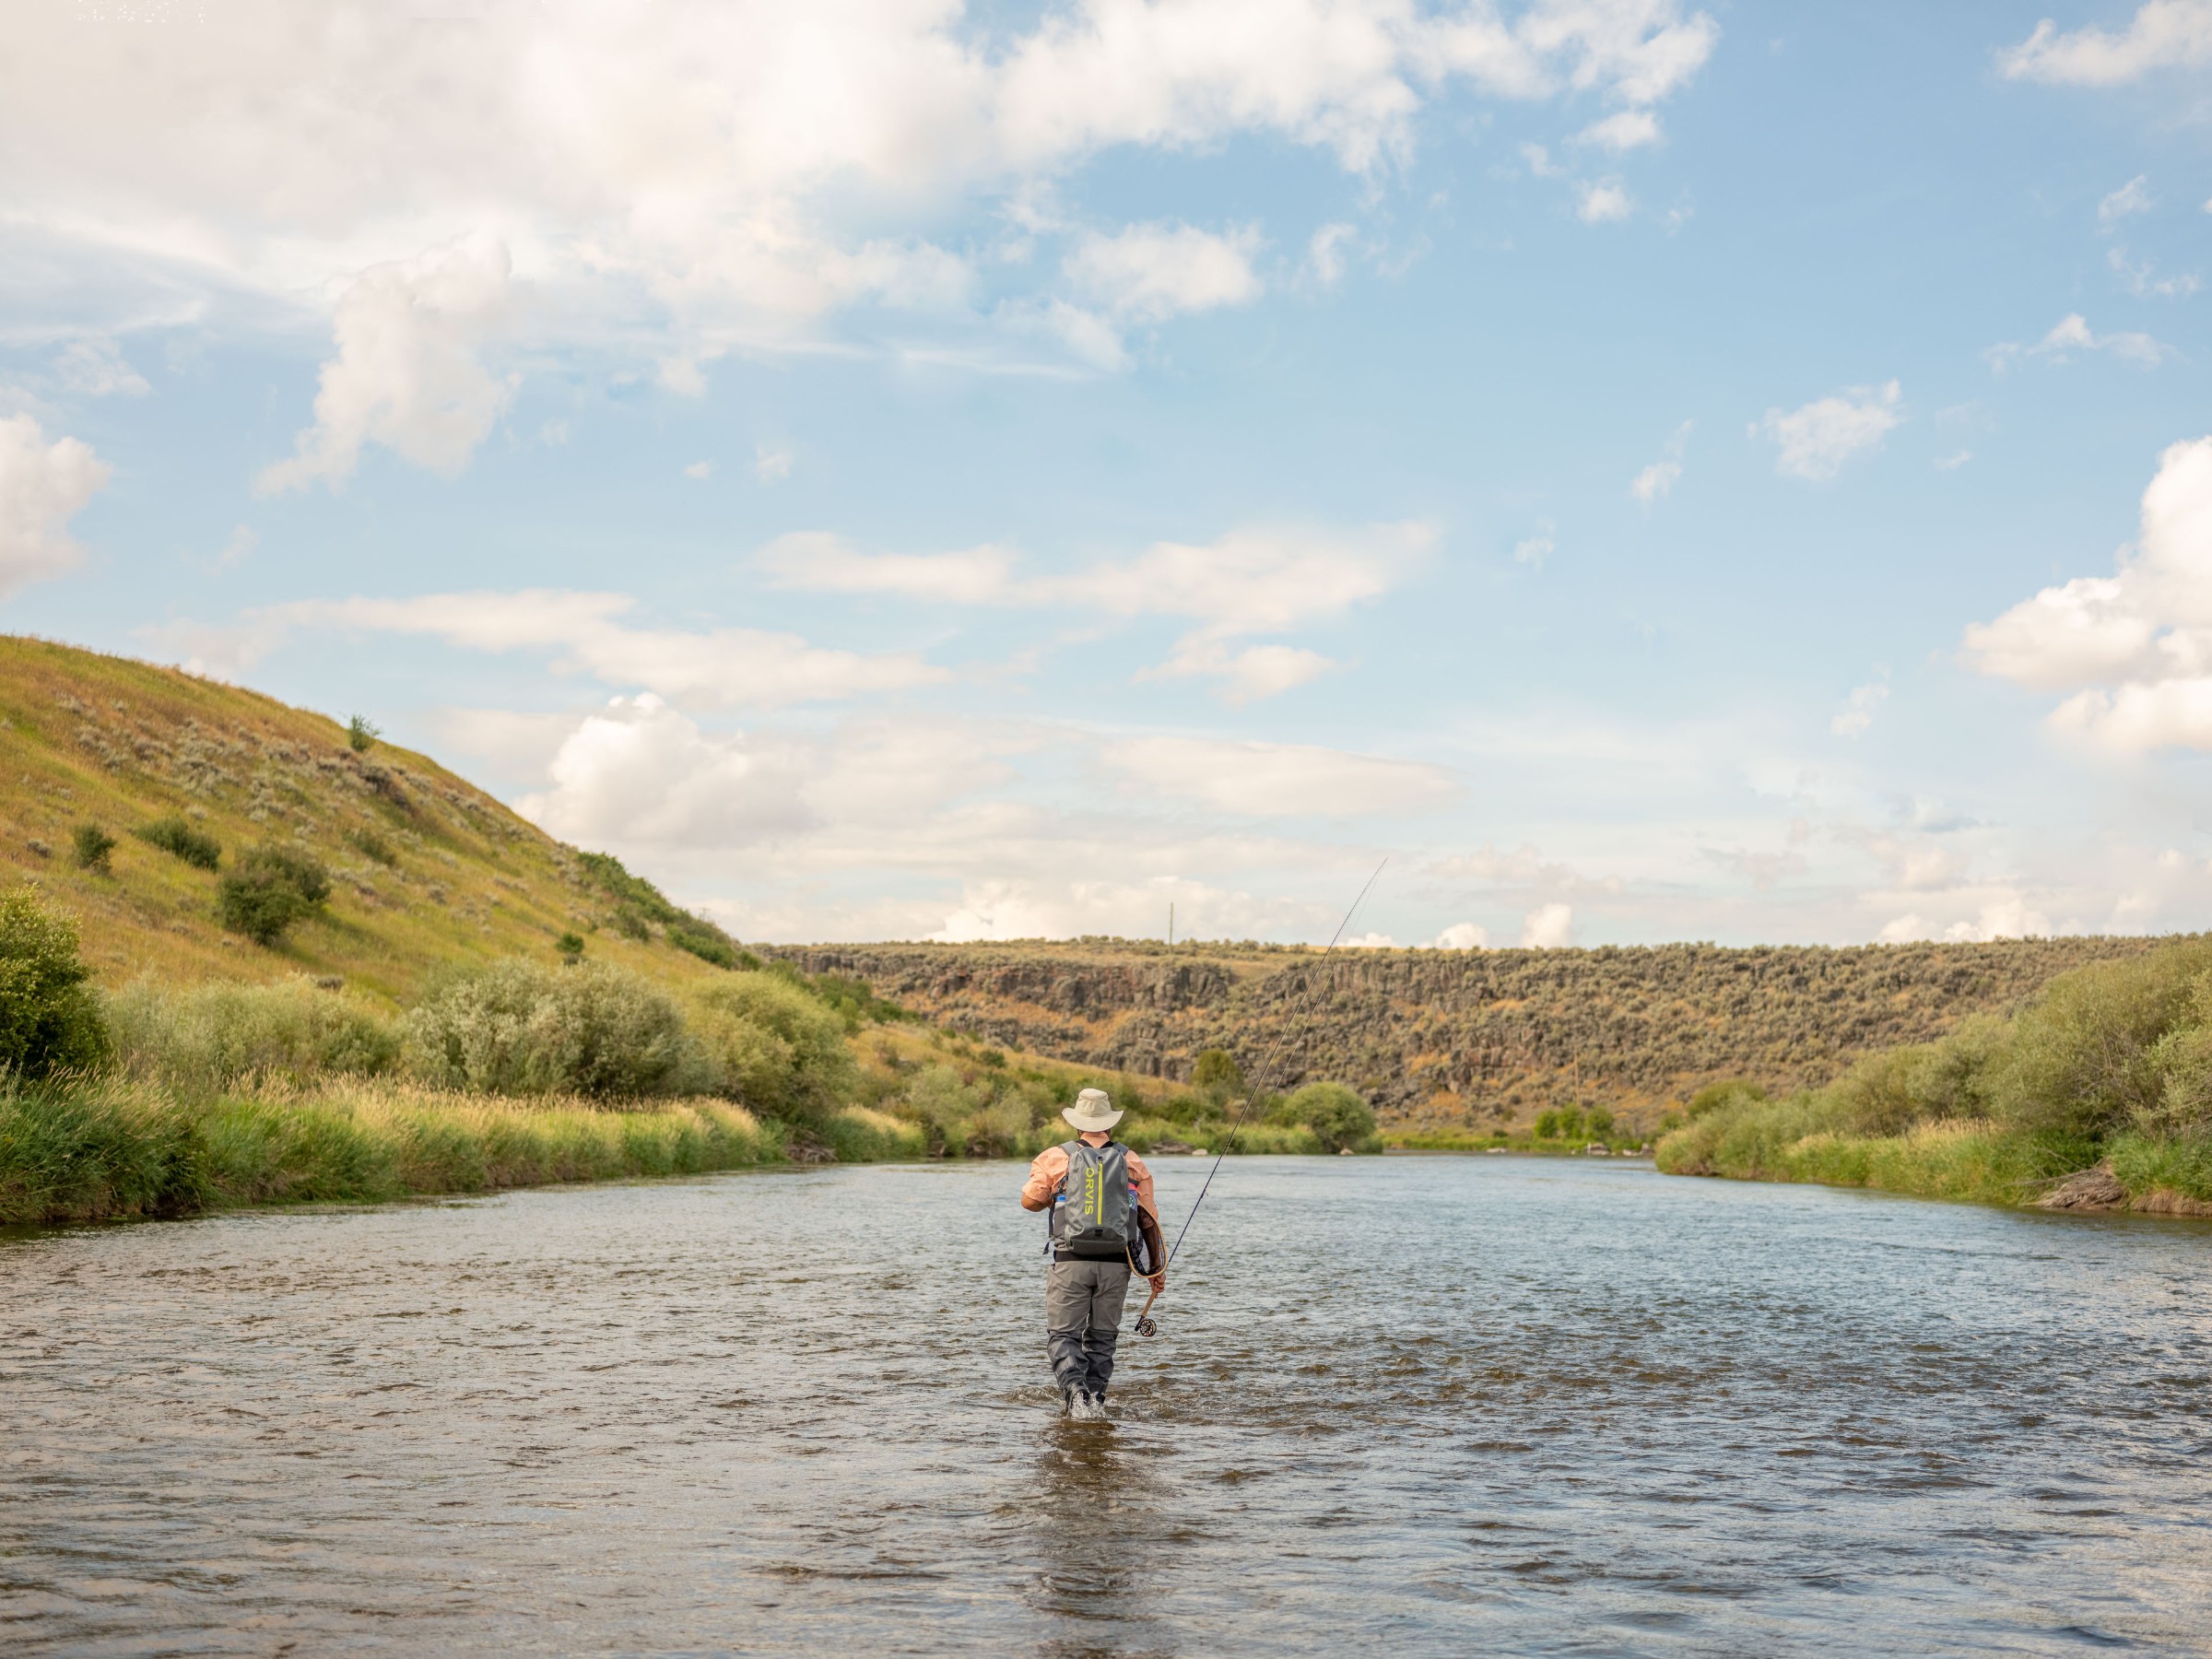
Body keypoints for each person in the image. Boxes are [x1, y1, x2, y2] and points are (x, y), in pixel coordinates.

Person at [1020, 1087, 1167, 1418]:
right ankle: (1095, 1404)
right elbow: (1147, 1219)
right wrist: (1155, 1271)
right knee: (1103, 1339)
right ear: (1109, 1124)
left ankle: (1075, 1394)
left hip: (1071, 1261)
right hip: (1118, 1265)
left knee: (1063, 1335)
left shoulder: (1055, 1157)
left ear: (1077, 1124)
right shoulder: (1132, 1160)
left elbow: (1029, 1201)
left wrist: (1059, 1192)